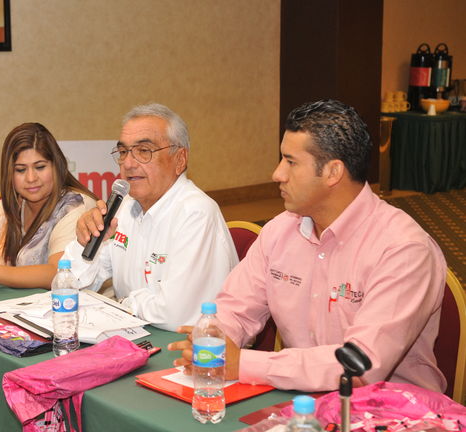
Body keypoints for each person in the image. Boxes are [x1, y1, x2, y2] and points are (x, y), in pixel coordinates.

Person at [169, 99, 447, 393]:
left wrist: (243, 364)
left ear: (333, 172)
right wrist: (214, 338)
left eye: (290, 162)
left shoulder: (403, 249)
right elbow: (236, 310)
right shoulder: (280, 231)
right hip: (301, 399)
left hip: (390, 409)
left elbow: (360, 365)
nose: (277, 174)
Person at [62, 103, 238, 331]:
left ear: (180, 159)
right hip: (137, 335)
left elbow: (174, 315)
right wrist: (84, 243)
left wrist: (123, 305)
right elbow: (70, 284)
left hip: (189, 345)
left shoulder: (196, 212)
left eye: (144, 151)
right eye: (123, 152)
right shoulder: (124, 205)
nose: (128, 163)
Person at [0, 122, 96, 289]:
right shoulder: (14, 203)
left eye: (40, 167)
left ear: (57, 166)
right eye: (20, 170)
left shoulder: (75, 206)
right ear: (9, 173)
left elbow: (59, 273)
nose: (31, 178)